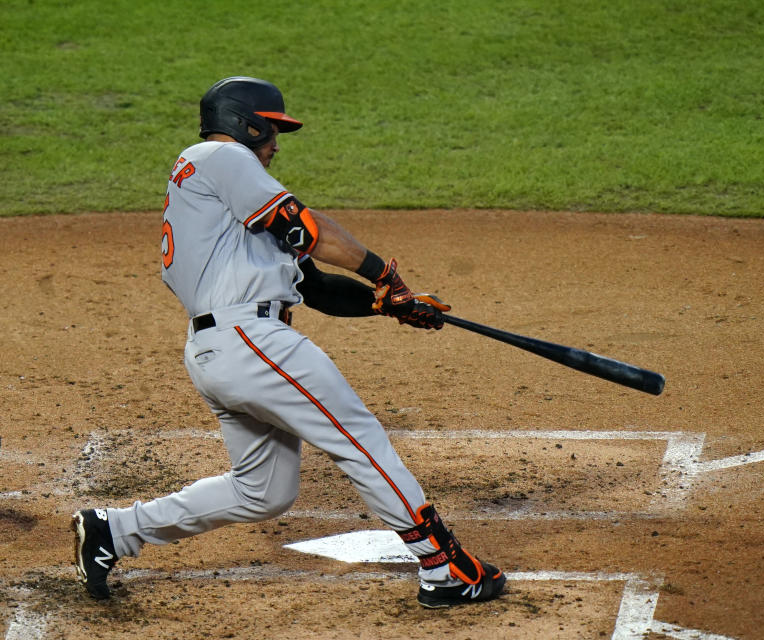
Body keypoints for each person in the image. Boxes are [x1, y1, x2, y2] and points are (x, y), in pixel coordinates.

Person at [71, 76, 506, 609]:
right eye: (273, 129)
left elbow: (317, 288)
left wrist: (387, 305)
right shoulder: (219, 158)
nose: (277, 143)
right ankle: (447, 569)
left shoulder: (227, 208)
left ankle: (113, 532)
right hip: (250, 340)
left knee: (264, 491)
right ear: (244, 124)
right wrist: (383, 275)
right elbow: (309, 229)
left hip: (220, 351)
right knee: (361, 440)